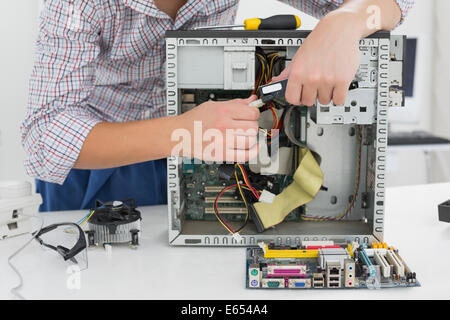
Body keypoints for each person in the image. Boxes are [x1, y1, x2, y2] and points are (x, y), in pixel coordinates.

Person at [22, 0, 413, 211]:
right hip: (95, 161)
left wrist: (347, 19)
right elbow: (43, 137)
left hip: (196, 160)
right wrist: (181, 133)